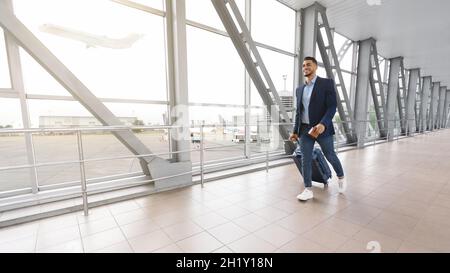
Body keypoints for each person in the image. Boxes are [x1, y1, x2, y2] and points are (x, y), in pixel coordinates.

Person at [290, 56, 347, 201]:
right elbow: (299, 112)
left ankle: (341, 177)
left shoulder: (326, 83)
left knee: (330, 155)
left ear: (315, 67)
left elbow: (332, 106)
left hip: (321, 128)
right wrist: (295, 131)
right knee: (306, 159)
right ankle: (308, 189)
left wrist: (323, 123)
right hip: (304, 129)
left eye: (308, 65)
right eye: (303, 65)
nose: (305, 67)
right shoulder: (299, 89)